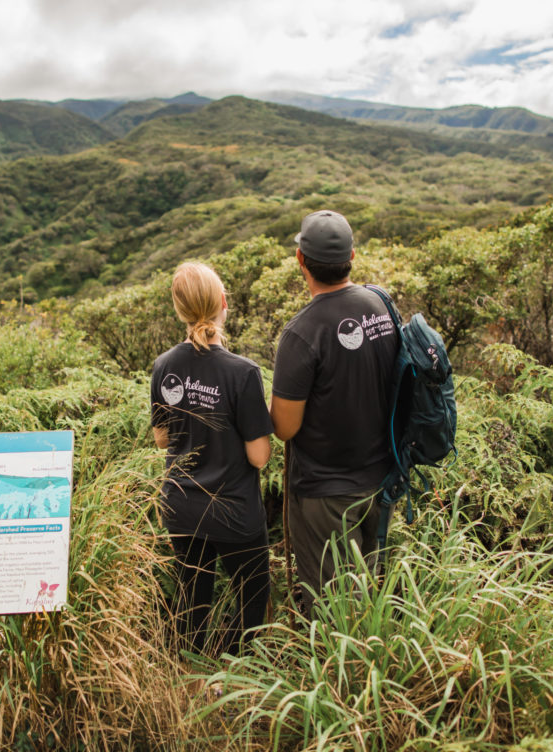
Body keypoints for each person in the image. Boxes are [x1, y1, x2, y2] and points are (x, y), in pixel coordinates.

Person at [270, 210, 399, 615]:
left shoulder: (301, 334)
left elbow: (285, 429)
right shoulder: (381, 306)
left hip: (326, 494)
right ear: (352, 257)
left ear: (300, 260)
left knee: (333, 611)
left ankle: (339, 677)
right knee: (367, 594)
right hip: (381, 482)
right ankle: (374, 670)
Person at [150, 261, 274, 657]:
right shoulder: (244, 373)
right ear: (223, 303)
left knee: (192, 597)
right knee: (252, 598)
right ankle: (232, 669)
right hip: (234, 511)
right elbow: (259, 457)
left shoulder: (164, 366)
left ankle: (185, 673)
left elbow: (161, 438)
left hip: (181, 507)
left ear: (180, 309)